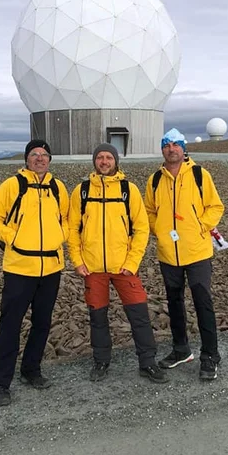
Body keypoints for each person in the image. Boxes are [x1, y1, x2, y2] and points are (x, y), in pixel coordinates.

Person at [68, 143, 167, 384]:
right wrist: (78, 261)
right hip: (93, 268)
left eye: (108, 157)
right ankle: (101, 361)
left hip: (124, 267)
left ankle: (147, 362)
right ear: (94, 161)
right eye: (100, 157)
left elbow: (142, 228)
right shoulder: (81, 191)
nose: (104, 161)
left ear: (116, 161)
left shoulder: (128, 190)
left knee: (139, 314)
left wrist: (132, 262)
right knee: (98, 317)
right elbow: (72, 229)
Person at [0, 139, 69, 406]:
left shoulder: (57, 187)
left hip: (51, 268)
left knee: (42, 324)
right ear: (26, 159)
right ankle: (1, 382)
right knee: (10, 326)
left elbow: (66, 219)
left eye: (44, 154)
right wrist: (13, 237)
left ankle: (31, 370)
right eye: (34, 154)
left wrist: (60, 237)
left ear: (50, 160)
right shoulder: (13, 186)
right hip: (19, 268)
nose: (40, 158)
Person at [144, 128, 225, 380]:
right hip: (169, 253)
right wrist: (160, 229)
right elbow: (148, 211)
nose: (172, 149)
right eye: (167, 145)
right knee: (174, 302)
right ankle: (181, 350)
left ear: (183, 148)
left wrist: (199, 226)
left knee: (203, 303)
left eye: (176, 144)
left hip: (197, 251)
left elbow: (215, 206)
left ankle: (210, 356)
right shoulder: (155, 180)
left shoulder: (200, 175)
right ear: (162, 149)